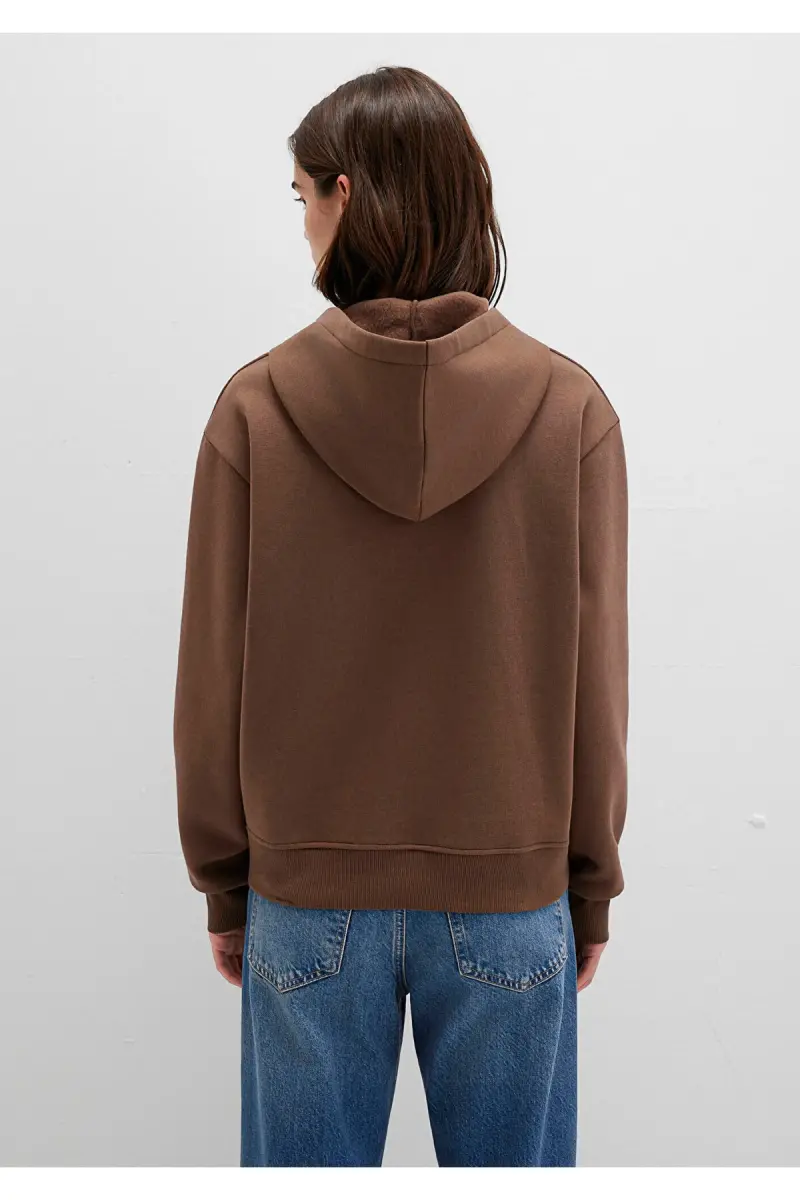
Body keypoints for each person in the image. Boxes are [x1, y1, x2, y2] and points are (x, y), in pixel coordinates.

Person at [173, 64, 629, 1169]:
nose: (302, 226)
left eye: (301, 198)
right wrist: (587, 887)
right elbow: (596, 687)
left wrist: (227, 881)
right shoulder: (569, 410)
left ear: (344, 193)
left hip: (306, 896)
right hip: (509, 891)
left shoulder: (256, 408)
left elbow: (211, 679)